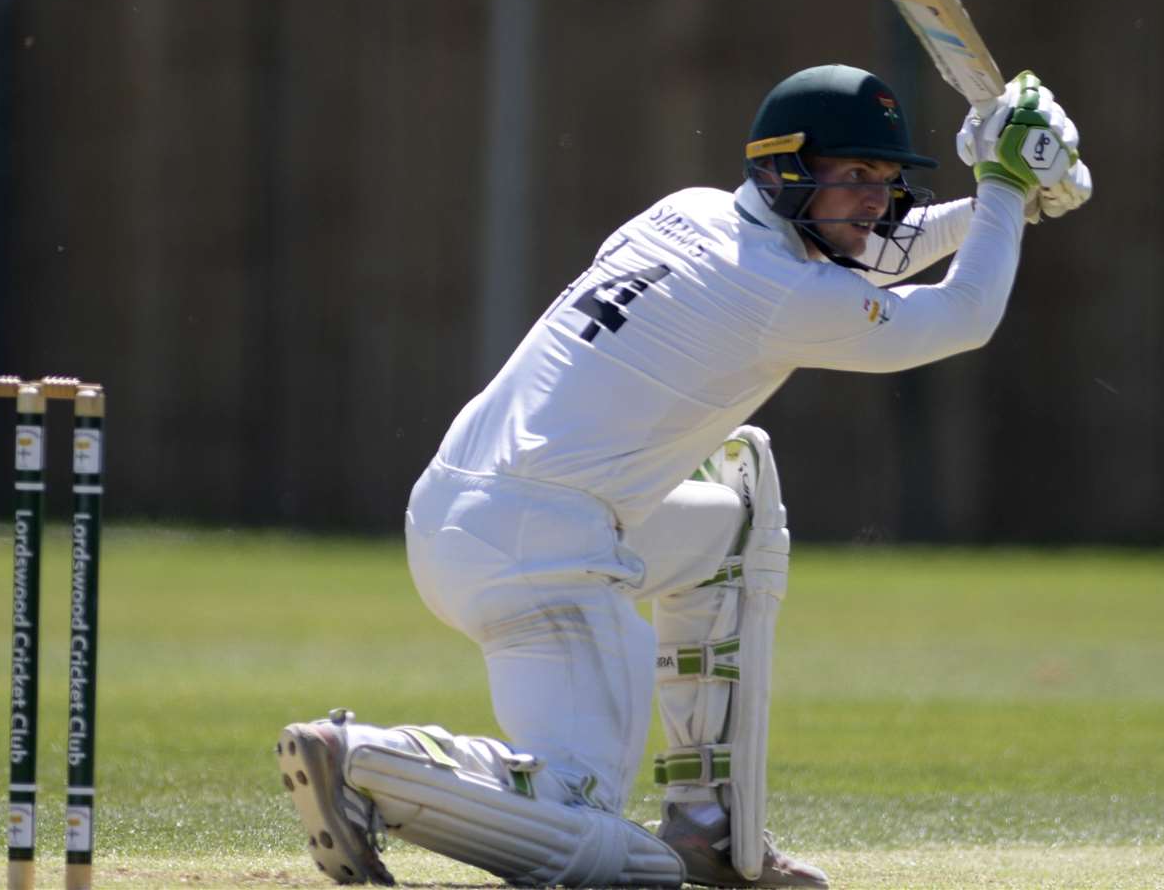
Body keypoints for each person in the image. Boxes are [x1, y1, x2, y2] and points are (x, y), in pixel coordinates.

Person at [275, 64, 1092, 887]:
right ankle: (367, 760)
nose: (874, 201)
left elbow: (856, 261)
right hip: (541, 548)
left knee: (727, 524)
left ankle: (710, 826)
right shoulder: (776, 289)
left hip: (475, 510)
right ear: (781, 168)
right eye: (852, 177)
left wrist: (1009, 201)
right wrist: (999, 180)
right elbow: (962, 316)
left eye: (884, 181)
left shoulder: (688, 212)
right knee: (616, 857)